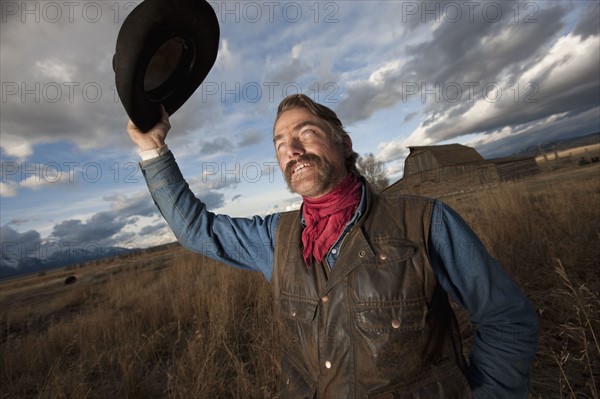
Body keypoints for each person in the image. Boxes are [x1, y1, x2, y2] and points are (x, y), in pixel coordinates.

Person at [127, 94, 538, 399]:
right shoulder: (277, 239)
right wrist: (152, 149)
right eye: (279, 142)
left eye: (306, 132)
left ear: (343, 143)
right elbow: (197, 229)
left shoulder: (425, 221)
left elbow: (506, 319)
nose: (292, 149)